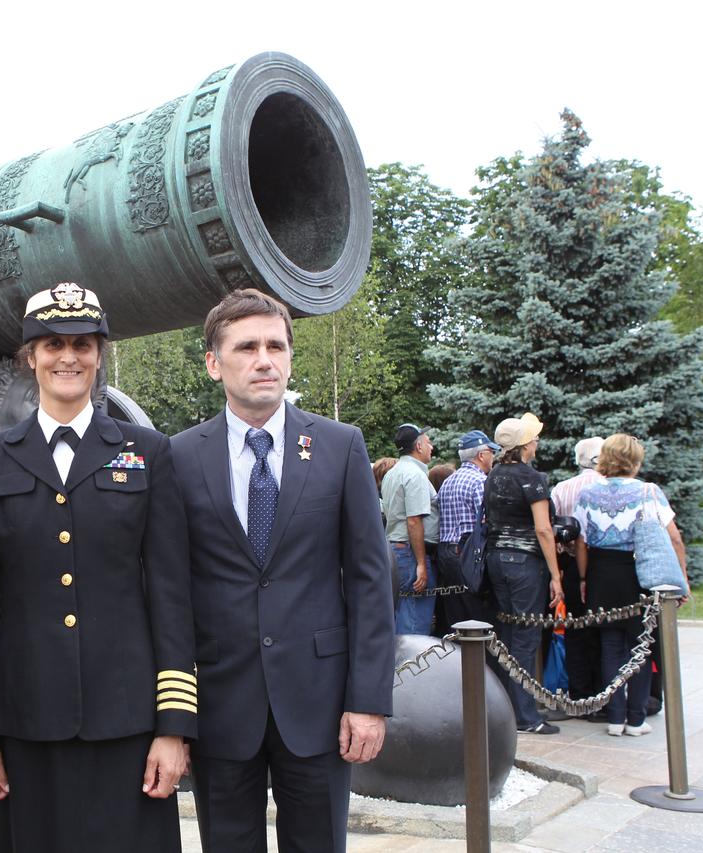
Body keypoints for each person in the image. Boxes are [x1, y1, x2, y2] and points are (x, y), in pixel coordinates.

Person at [0, 283, 195, 853]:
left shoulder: (145, 451)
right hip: (25, 721)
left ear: (100, 353)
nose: (69, 356)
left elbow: (170, 593)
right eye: (53, 343)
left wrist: (173, 726)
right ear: (31, 356)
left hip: (129, 720)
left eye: (83, 344)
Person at [169, 288, 394, 853]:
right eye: (246, 347)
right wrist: (173, 714)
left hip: (318, 703)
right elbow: (168, 588)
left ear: (290, 356)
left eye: (275, 345)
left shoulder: (341, 447)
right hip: (220, 704)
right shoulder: (177, 456)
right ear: (214, 364)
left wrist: (368, 700)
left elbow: (370, 579)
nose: (264, 359)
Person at [572, 433, 689, 737]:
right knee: (641, 646)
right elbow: (674, 537)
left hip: (601, 572)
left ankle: (614, 717)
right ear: (635, 460)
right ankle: (636, 719)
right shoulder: (648, 492)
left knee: (610, 646)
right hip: (637, 573)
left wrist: (584, 578)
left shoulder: (588, 495)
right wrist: (681, 577)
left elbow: (581, 542)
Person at [485, 412, 565, 735]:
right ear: (523, 445)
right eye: (533, 438)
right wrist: (556, 576)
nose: (536, 442)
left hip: (495, 560)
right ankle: (526, 717)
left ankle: (504, 711)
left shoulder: (493, 474)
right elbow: (543, 529)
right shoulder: (531, 478)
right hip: (524, 564)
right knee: (525, 637)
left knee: (505, 635)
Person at [551, 436, 606, 714]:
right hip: (603, 565)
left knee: (575, 631)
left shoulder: (562, 488)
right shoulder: (606, 486)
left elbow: (554, 530)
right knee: (604, 632)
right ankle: (603, 695)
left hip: (571, 565)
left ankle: (579, 692)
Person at [436, 429, 500, 627]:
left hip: (446, 552)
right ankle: (478, 659)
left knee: (455, 618)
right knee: (477, 618)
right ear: (481, 455)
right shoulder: (480, 481)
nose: (493, 457)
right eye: (491, 452)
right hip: (468, 553)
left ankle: (457, 658)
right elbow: (486, 520)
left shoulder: (448, 481)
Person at [380, 423, 440, 634]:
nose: (431, 446)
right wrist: (421, 564)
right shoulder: (414, 475)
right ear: (419, 446)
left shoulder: (392, 473)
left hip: (397, 551)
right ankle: (410, 668)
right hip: (410, 554)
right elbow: (414, 521)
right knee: (414, 626)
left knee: (402, 619)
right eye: (428, 442)